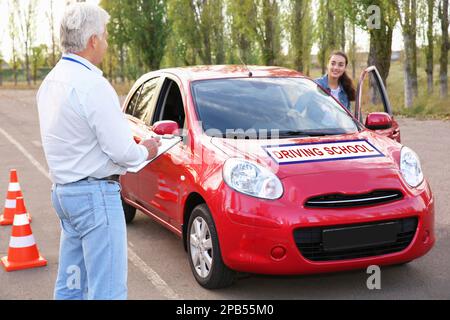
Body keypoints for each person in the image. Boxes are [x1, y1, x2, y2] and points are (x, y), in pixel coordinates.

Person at [36, 3, 160, 300]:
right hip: (94, 198)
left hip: (65, 195)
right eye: (104, 36)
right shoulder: (93, 85)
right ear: (92, 40)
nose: (105, 42)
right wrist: (146, 150)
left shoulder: (50, 82)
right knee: (108, 291)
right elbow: (122, 151)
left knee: (71, 286)